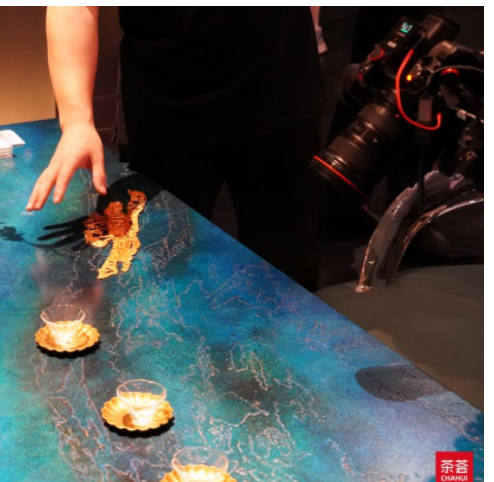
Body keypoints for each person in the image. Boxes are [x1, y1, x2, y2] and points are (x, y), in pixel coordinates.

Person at [27, 7, 326, 290]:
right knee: (161, 279)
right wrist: (76, 121)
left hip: (281, 91)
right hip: (164, 110)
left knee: (290, 279)